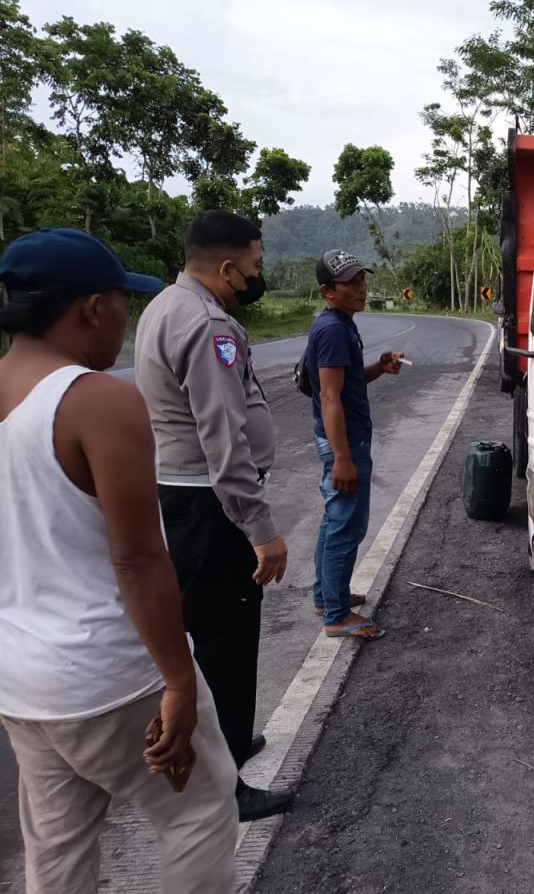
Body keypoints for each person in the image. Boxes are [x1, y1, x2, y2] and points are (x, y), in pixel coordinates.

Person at [0, 228, 237, 893]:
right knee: (199, 810)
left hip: (21, 680)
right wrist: (179, 681)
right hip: (110, 675)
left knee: (57, 844)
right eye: (122, 303)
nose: (125, 319)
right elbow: (137, 559)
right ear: (92, 307)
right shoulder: (97, 401)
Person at [134, 211, 294, 821]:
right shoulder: (207, 325)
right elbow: (223, 438)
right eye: (253, 266)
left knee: (203, 634)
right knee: (227, 642)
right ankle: (227, 786)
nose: (255, 277)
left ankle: (226, 741)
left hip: (182, 498)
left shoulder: (164, 306)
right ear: (227, 267)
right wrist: (261, 529)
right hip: (210, 504)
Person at [306, 249, 402, 639]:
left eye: (362, 279)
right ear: (328, 291)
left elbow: (346, 383)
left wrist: (379, 367)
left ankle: (327, 596)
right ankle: (336, 615)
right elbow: (329, 396)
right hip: (345, 443)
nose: (361, 288)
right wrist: (343, 457)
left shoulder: (341, 324)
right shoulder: (332, 329)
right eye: (350, 283)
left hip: (345, 440)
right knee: (346, 527)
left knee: (335, 522)